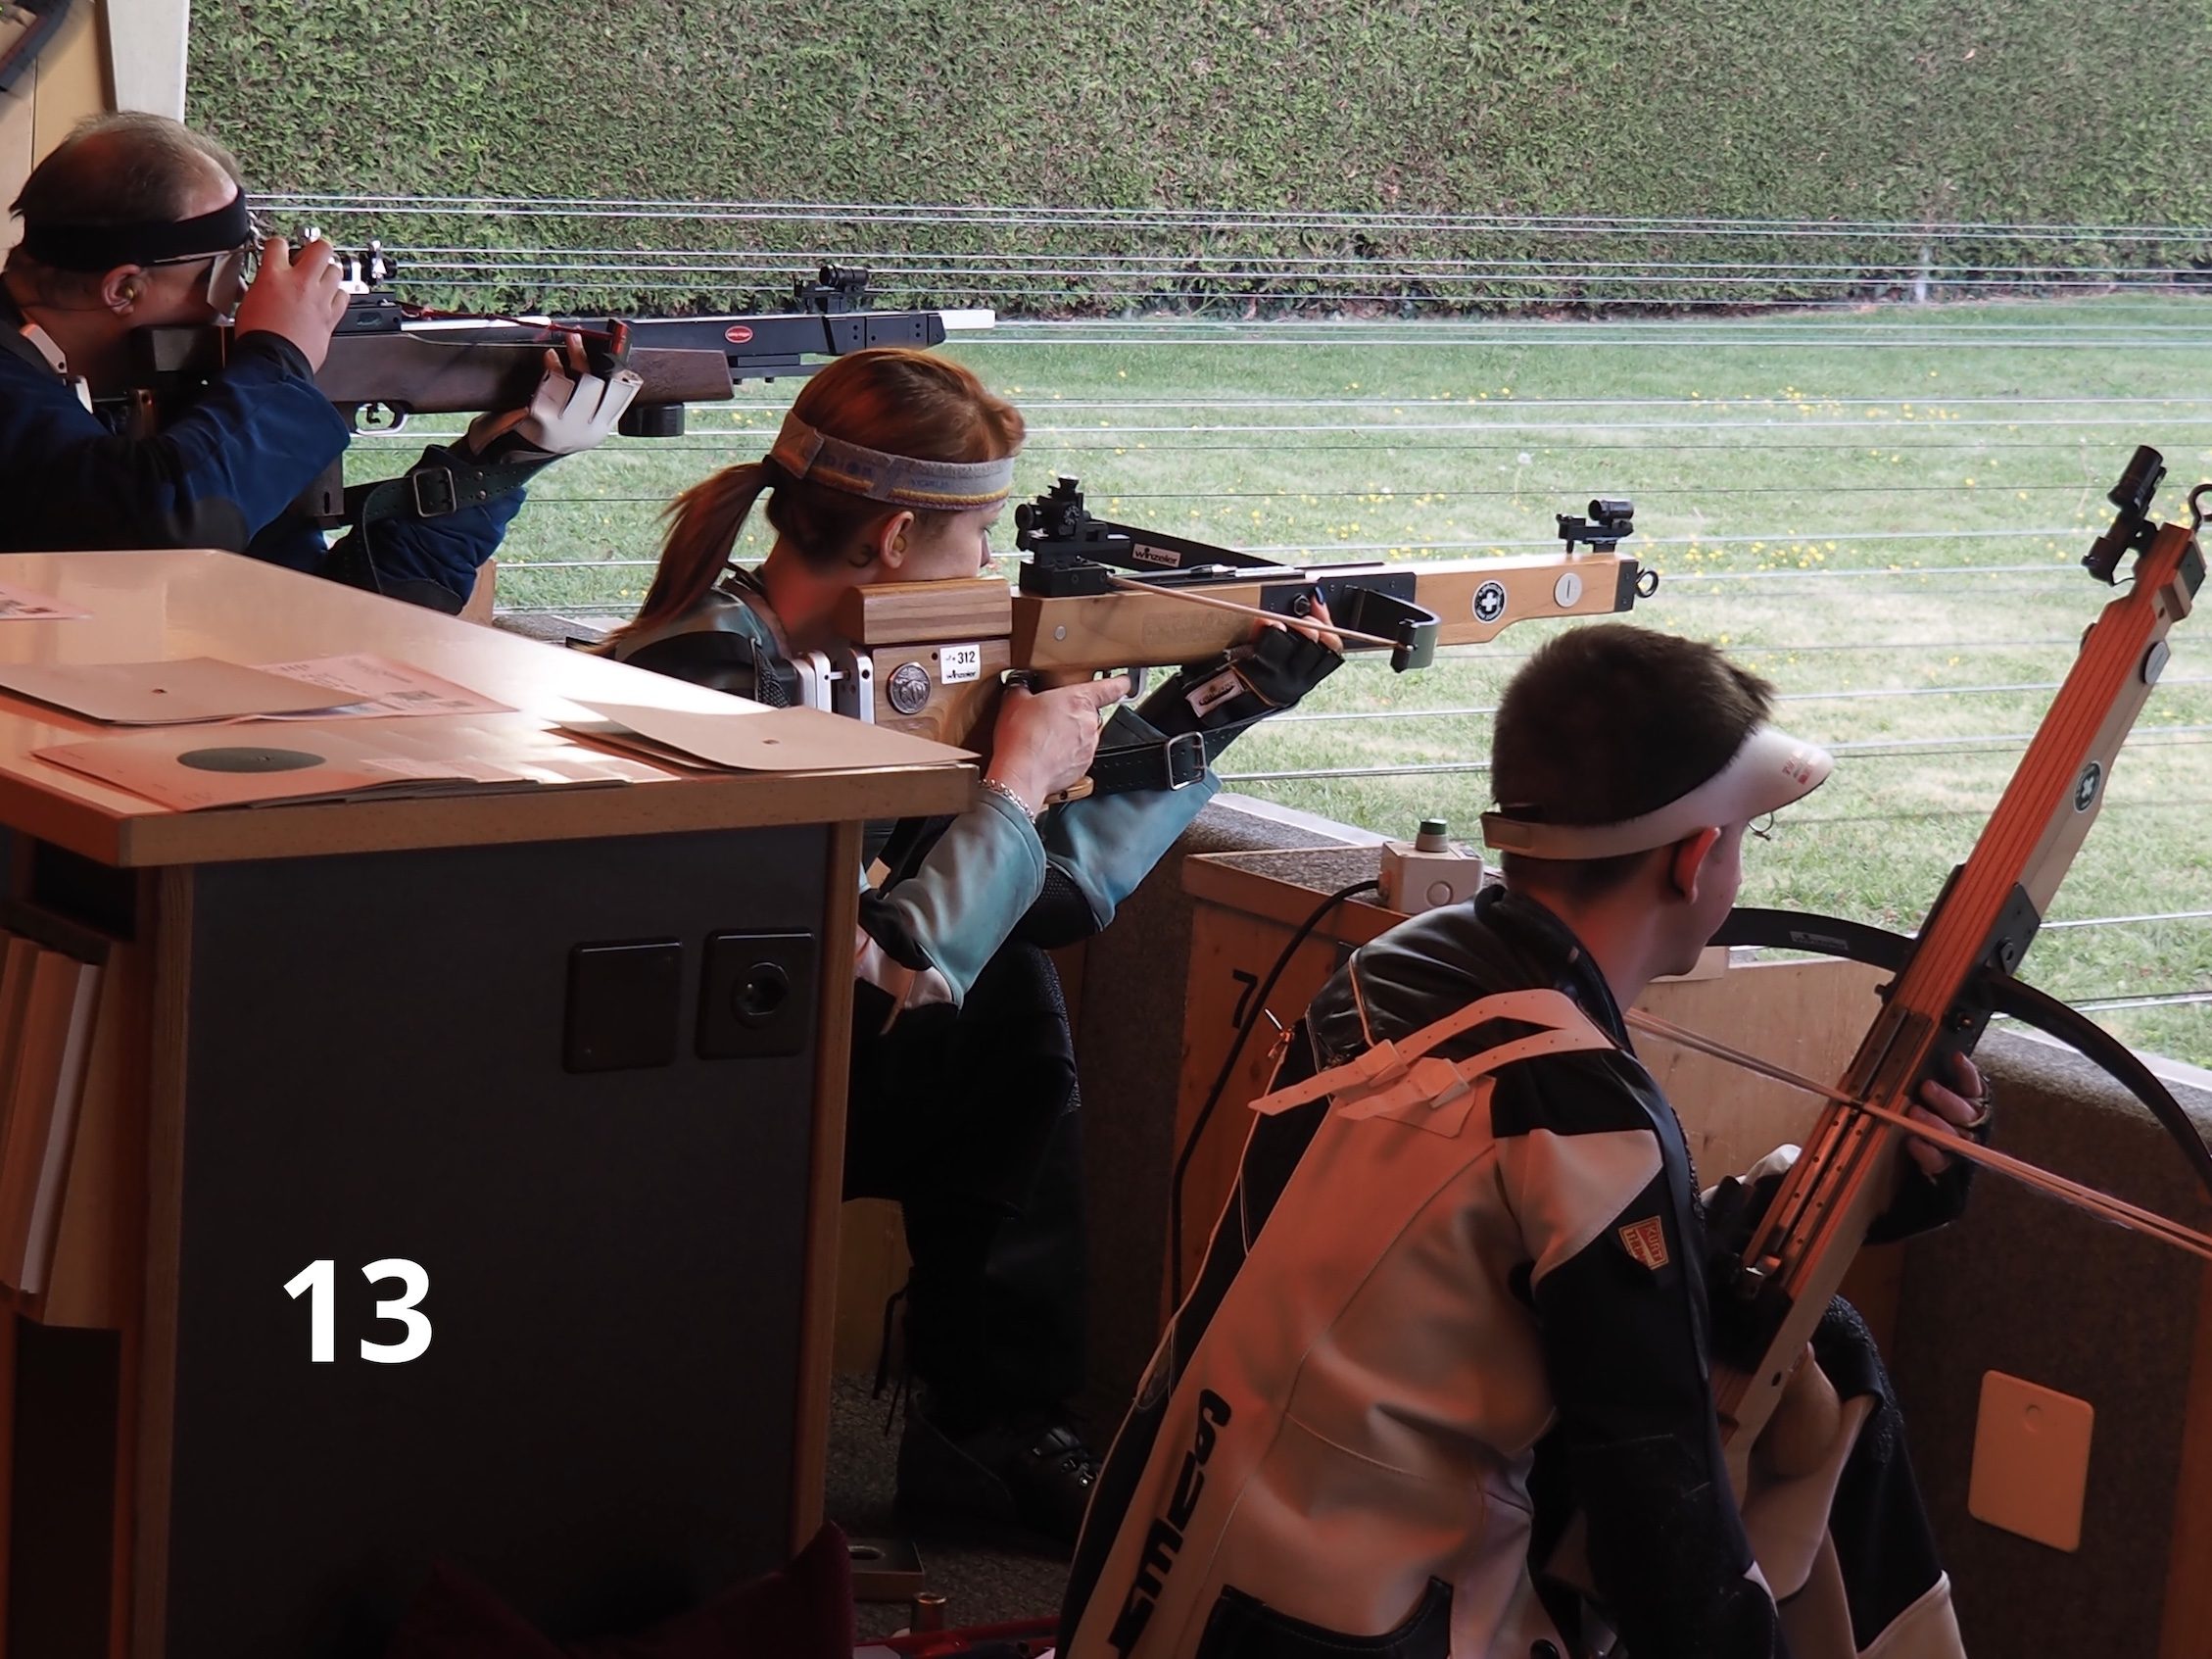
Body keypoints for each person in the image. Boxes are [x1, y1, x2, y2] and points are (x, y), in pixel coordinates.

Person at [1062, 622, 1987, 1659]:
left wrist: (1881, 1186)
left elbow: (1593, 1272)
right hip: (1347, 1628)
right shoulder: (1581, 1108)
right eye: (1742, 839)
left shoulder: (1398, 970)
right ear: (1693, 861)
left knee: (1819, 1350)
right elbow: (1660, 1529)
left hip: (1169, 1565)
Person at [603, 345, 1342, 1545]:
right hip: (681, 1086)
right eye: (982, 536)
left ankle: (988, 1433)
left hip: (758, 1052)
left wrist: (1214, 707)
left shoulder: (827, 662)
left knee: (1006, 998)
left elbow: (1041, 898)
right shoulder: (718, 680)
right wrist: (1011, 781)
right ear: (897, 538)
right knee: (990, 1016)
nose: (994, 571)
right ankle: (988, 1429)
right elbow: (877, 985)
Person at [0, 112, 635, 611]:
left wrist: (492, 467)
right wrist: (280, 356)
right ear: (123, 288)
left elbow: (329, 615)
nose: (242, 297)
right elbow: (160, 525)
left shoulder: (118, 398)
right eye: (224, 274)